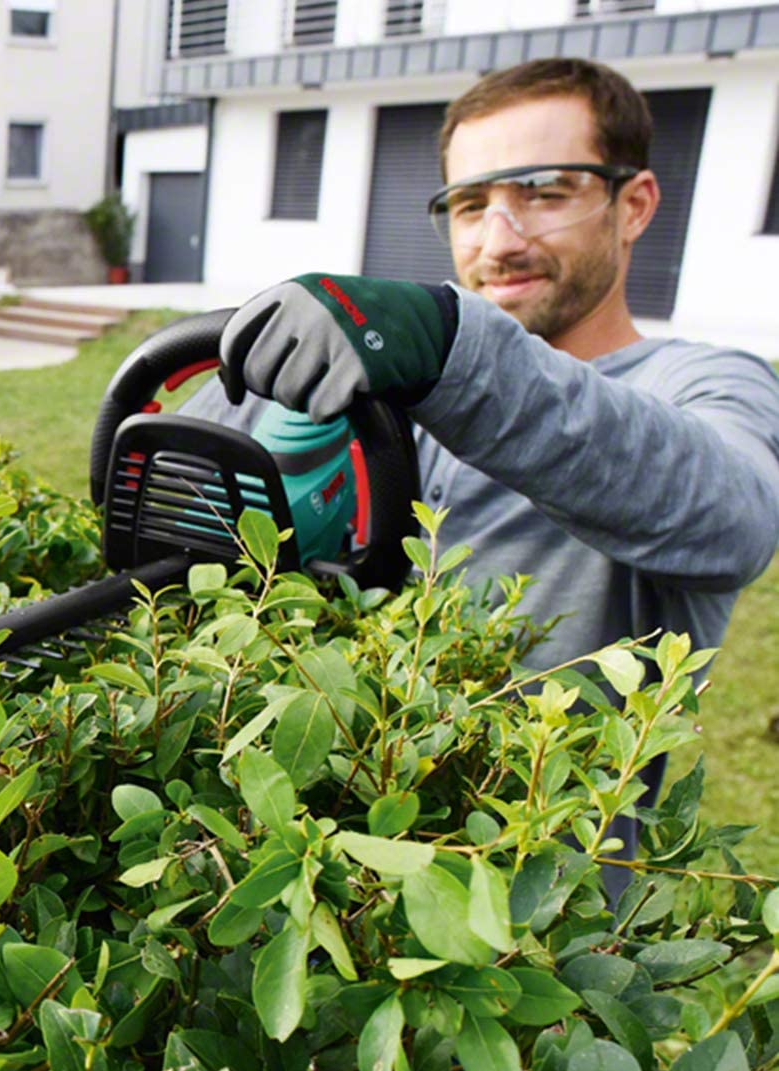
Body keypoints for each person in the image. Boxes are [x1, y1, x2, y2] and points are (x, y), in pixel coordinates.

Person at [187, 57, 779, 675]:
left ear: (632, 205)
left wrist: (450, 346)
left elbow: (737, 526)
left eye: (546, 192)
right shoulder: (399, 366)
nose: (499, 244)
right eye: (470, 206)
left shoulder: (705, 381)